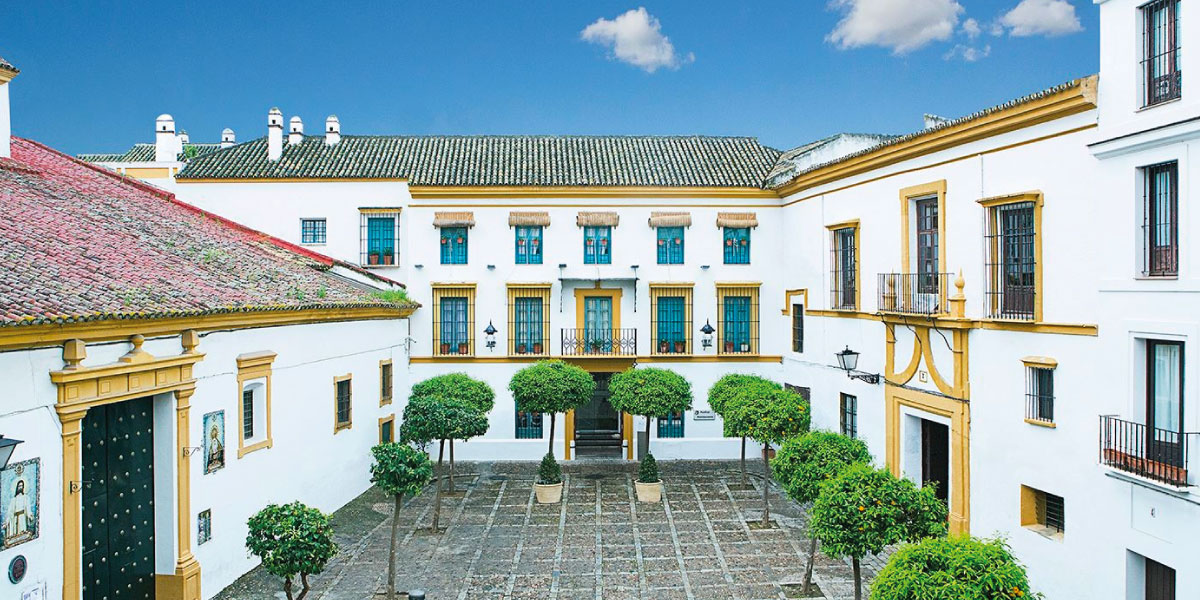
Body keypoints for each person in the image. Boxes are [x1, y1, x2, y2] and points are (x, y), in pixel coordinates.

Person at [4, 478, 31, 544]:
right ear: (17, 487)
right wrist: (6, 522)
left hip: (22, 516)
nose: (20, 487)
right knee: (14, 533)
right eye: (19, 486)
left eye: (21, 486)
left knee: (22, 531)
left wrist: (30, 515)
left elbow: (28, 508)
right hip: (15, 518)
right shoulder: (13, 499)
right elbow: (10, 512)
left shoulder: (25, 497)